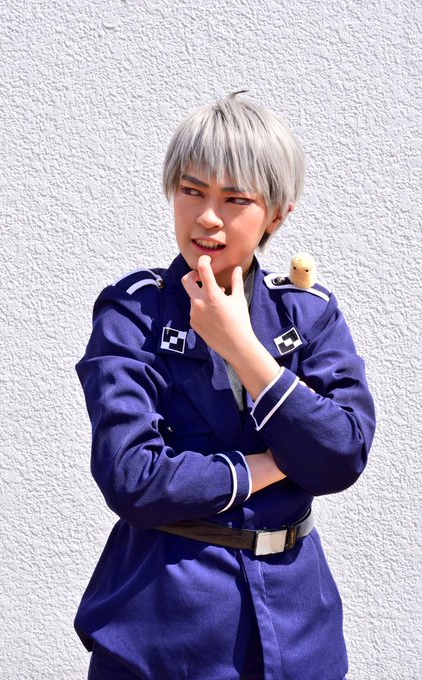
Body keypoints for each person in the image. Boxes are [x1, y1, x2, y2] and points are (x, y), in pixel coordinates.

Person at [75, 92, 375, 680]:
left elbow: (342, 455)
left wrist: (242, 348)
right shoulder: (134, 314)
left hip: (300, 628)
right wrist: (274, 463)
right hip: (161, 628)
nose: (208, 217)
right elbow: (132, 477)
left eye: (236, 199)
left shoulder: (307, 314)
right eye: (192, 191)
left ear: (277, 215)